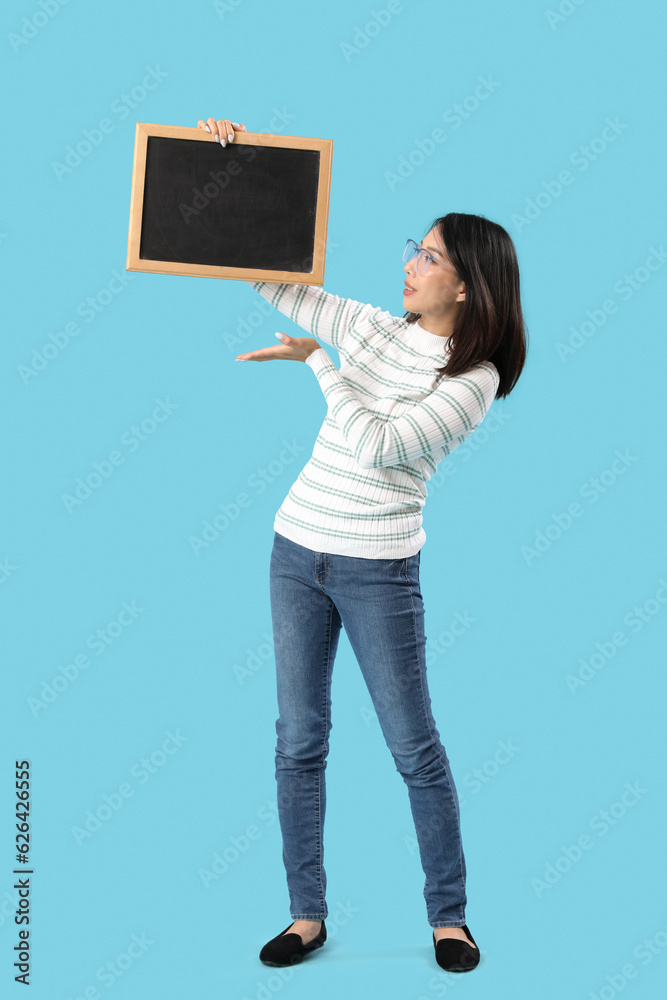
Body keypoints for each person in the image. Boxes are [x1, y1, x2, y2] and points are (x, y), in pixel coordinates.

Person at [197, 115, 528, 971]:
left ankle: (447, 918)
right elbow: (277, 281)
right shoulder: (377, 329)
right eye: (412, 249)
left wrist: (317, 364)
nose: (408, 265)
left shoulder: (472, 379)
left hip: (378, 571)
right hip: (294, 552)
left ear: (466, 286)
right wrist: (237, 166)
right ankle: (305, 915)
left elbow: (381, 446)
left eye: (427, 258)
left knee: (412, 747)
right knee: (298, 738)